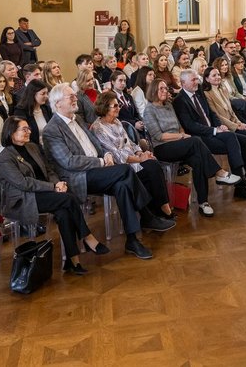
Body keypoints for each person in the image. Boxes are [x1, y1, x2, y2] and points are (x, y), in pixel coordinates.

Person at [41, 84, 173, 260]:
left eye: (74, 95)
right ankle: (147, 215)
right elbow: (69, 161)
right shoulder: (51, 130)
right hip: (79, 177)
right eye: (70, 96)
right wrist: (101, 161)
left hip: (99, 170)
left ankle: (132, 240)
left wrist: (106, 154)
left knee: (122, 185)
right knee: (125, 170)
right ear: (57, 103)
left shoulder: (77, 119)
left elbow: (96, 145)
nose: (75, 99)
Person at [0, 117, 107, 275]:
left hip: (44, 192)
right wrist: (53, 187)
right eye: (24, 129)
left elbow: (49, 169)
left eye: (29, 128)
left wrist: (58, 184)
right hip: (24, 199)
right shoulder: (5, 158)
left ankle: (73, 261)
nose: (29, 132)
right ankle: (88, 238)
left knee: (64, 212)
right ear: (11, 133)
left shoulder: (32, 147)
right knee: (68, 199)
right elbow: (24, 183)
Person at [141, 80, 238, 217]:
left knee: (198, 160)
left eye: (166, 88)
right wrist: (181, 136)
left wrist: (182, 134)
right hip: (162, 148)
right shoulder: (149, 110)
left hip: (179, 144)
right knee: (195, 141)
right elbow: (159, 136)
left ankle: (203, 202)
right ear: (153, 91)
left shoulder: (169, 105)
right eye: (161, 88)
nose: (165, 91)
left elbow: (180, 125)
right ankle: (219, 173)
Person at [172, 69, 246, 200]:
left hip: (213, 130)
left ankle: (241, 183)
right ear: (183, 83)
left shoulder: (199, 92)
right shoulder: (179, 101)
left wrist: (219, 125)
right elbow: (190, 125)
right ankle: (240, 185)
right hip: (200, 137)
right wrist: (214, 130)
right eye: (193, 80)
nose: (197, 82)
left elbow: (211, 113)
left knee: (239, 139)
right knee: (235, 143)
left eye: (197, 79)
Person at [90, 91, 173, 219]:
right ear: (104, 108)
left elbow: (130, 143)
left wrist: (141, 152)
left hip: (133, 159)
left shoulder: (116, 121)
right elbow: (116, 155)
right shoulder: (98, 128)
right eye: (115, 106)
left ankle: (159, 208)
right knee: (151, 168)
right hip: (120, 165)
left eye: (118, 105)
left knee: (152, 163)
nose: (119, 108)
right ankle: (160, 208)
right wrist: (140, 159)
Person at [201, 67, 246, 187]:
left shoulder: (223, 89)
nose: (217, 77)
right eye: (214, 75)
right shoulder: (206, 94)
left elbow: (231, 111)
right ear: (207, 79)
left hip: (233, 122)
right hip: (223, 126)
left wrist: (240, 123)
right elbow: (217, 116)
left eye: (218, 74)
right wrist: (235, 126)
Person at [12, 79, 52, 147]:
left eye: (47, 93)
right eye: (43, 94)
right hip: (33, 148)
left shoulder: (46, 108)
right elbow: (23, 135)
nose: (46, 96)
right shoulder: (21, 111)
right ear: (33, 94)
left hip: (49, 145)